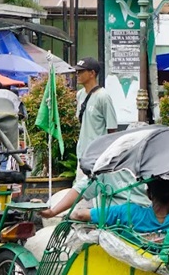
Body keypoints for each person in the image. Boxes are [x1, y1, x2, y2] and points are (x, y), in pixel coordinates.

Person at [41, 58, 117, 218]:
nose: (78, 74)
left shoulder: (103, 97)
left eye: (81, 71)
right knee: (81, 189)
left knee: (97, 193)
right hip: (83, 152)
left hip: (99, 156)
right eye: (77, 71)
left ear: (92, 73)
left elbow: (112, 130)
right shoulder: (80, 95)